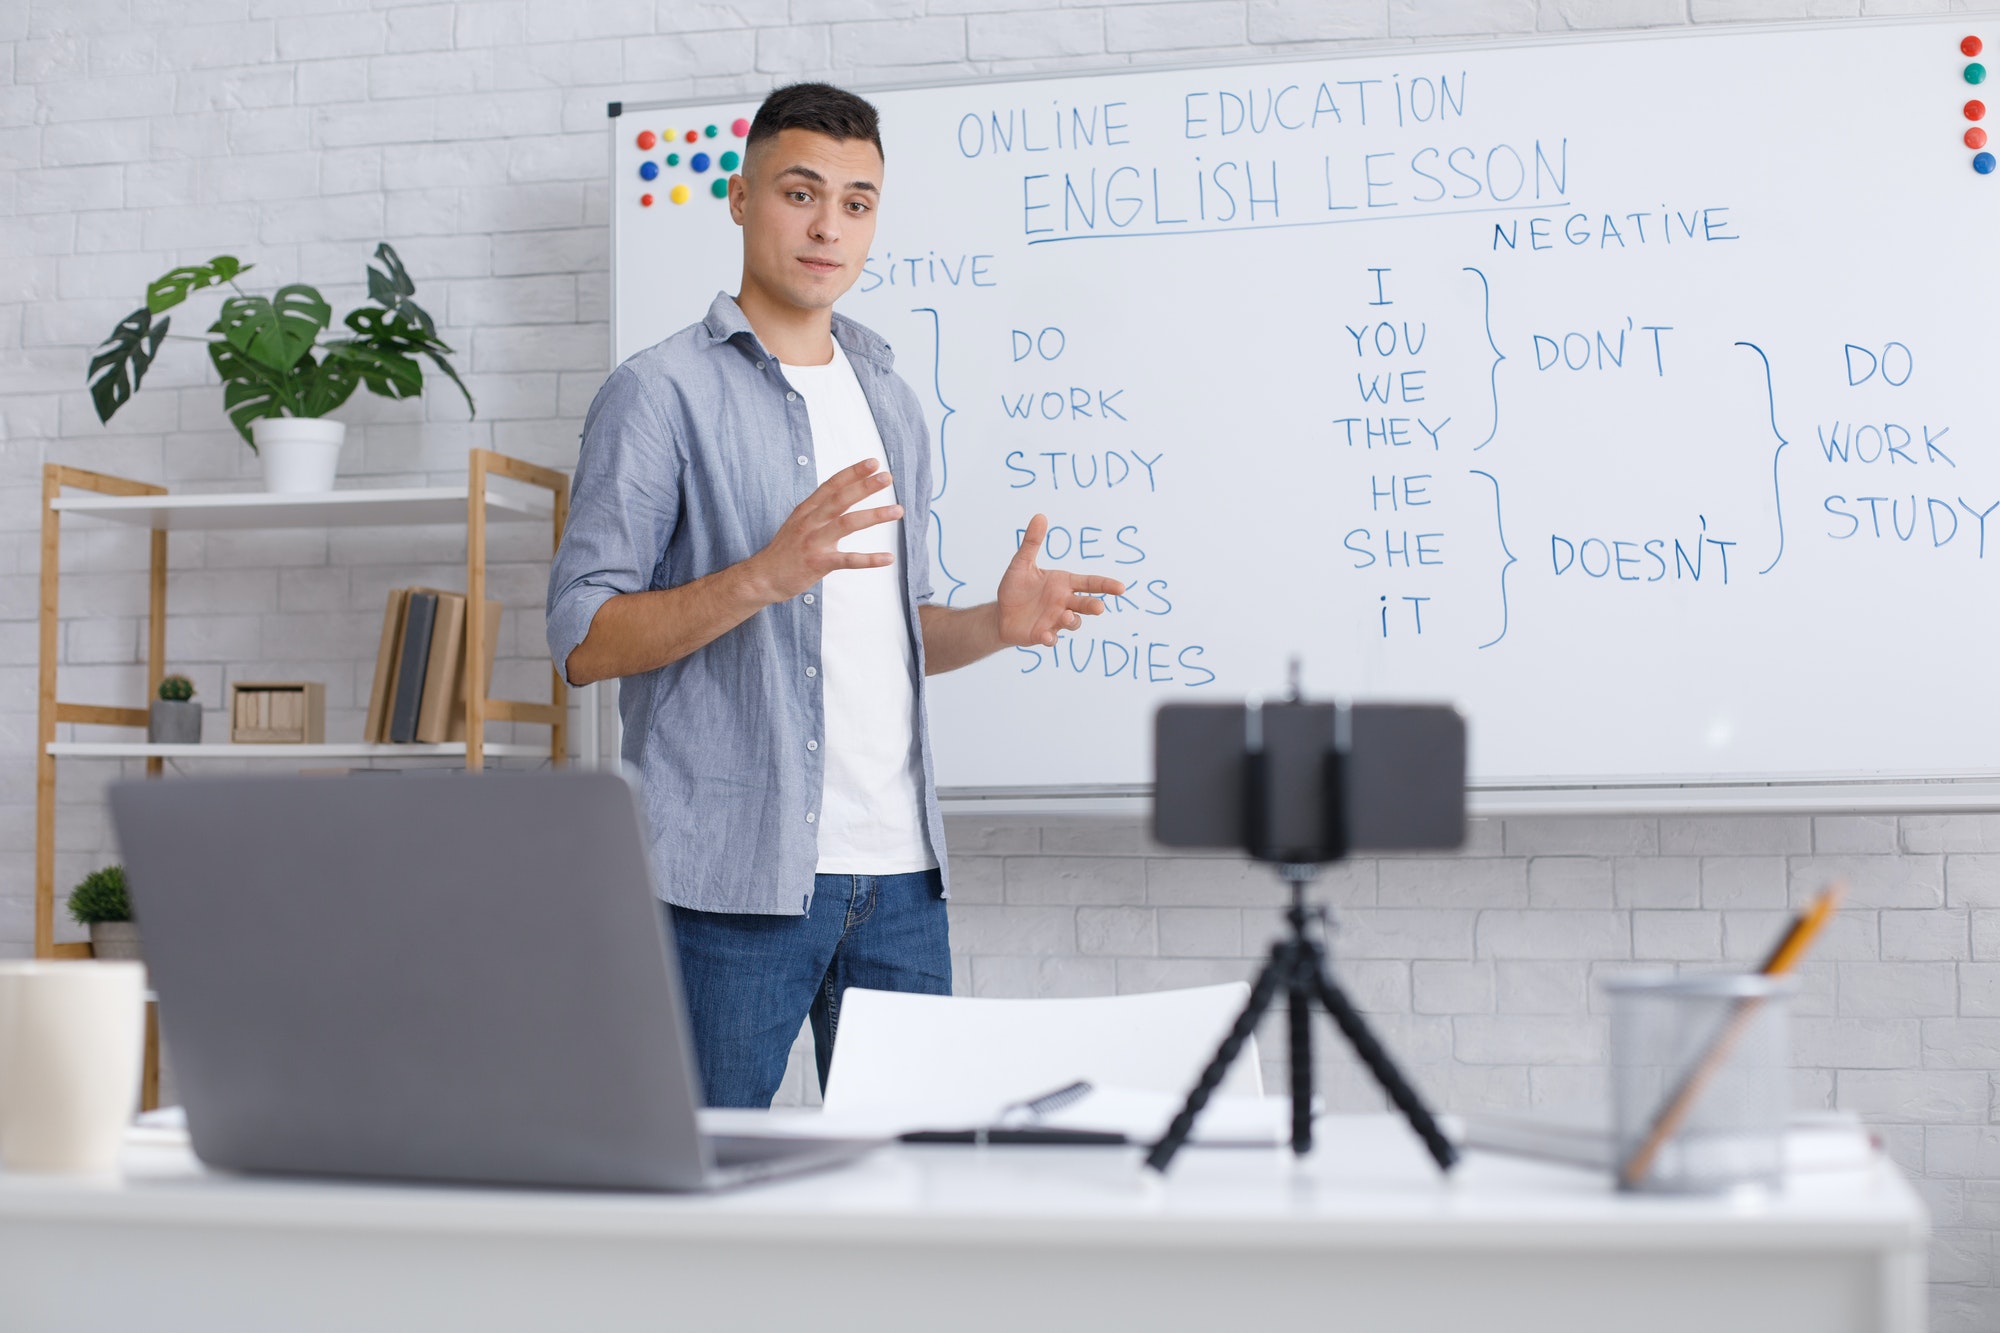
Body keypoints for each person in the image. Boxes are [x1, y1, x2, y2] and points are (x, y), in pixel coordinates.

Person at [546, 83, 1124, 1108]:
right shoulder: (658, 393)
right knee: (703, 1188)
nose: (827, 226)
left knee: (916, 1193)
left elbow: (891, 631)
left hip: (900, 881)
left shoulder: (890, 400)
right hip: (727, 883)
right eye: (800, 192)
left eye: (856, 203)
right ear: (740, 197)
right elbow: (585, 639)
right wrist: (763, 574)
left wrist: (993, 626)